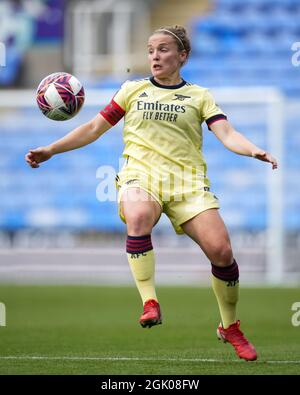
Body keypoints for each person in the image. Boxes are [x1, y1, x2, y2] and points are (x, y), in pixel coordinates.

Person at [25, 25, 278, 362]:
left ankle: (229, 326)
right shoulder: (132, 90)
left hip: (187, 183)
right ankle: (150, 302)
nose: (155, 56)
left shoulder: (200, 96)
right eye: (150, 50)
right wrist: (51, 149)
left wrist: (254, 150)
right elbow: (93, 128)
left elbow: (227, 133)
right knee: (139, 216)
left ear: (182, 56)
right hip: (141, 176)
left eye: (163, 49)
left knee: (222, 251)